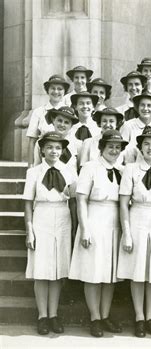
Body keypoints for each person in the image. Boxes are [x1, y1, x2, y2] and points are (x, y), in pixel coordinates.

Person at [68, 130, 128, 337]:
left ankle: (105, 315)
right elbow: (81, 200)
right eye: (110, 146)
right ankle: (94, 317)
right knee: (93, 272)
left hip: (114, 222)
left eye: (118, 147)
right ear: (101, 148)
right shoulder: (90, 168)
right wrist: (85, 229)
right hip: (94, 219)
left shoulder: (122, 170)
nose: (114, 150)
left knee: (109, 273)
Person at [117, 128, 151, 337]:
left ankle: (150, 316)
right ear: (140, 147)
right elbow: (123, 204)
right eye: (147, 144)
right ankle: (139, 317)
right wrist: (127, 232)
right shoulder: (130, 170)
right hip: (137, 217)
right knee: (138, 271)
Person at [23, 131, 77, 335]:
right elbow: (28, 203)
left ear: (62, 150)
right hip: (42, 218)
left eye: (58, 148)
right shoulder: (33, 172)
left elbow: (73, 201)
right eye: (50, 147)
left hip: (62, 217)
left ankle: (53, 314)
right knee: (41, 271)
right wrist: (30, 230)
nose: (54, 151)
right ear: (42, 150)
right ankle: (42, 316)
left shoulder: (69, 171)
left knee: (56, 272)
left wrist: (73, 228)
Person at [26, 75, 69, 166]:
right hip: (42, 157)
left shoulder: (70, 112)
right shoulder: (39, 112)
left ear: (64, 91)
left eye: (60, 89)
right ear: (47, 90)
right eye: (53, 88)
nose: (56, 91)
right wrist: (30, 165)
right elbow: (32, 140)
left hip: (65, 157)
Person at [33, 107, 81, 174]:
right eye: (59, 120)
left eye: (66, 122)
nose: (62, 125)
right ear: (53, 120)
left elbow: (80, 169)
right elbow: (37, 166)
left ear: (71, 125)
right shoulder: (42, 142)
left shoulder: (78, 145)